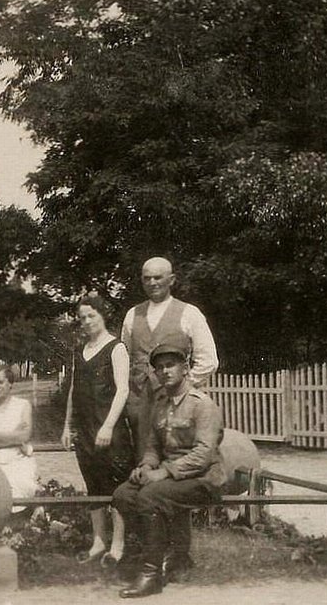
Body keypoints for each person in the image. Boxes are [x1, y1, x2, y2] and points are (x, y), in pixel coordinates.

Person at [120, 256, 218, 566]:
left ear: (172, 279)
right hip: (141, 407)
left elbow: (209, 359)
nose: (152, 283)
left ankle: (178, 552)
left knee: (175, 471)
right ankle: (149, 547)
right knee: (148, 473)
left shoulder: (189, 313)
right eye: (146, 278)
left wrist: (182, 389)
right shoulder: (132, 315)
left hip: (177, 402)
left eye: (158, 277)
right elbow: (125, 358)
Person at [111, 341, 224, 598]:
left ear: (185, 368)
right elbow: (153, 446)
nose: (165, 371)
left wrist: (164, 472)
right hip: (173, 479)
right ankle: (163, 556)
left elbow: (204, 455)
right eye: (159, 367)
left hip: (204, 479)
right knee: (123, 494)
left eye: (170, 365)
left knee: (150, 496)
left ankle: (151, 575)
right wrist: (145, 466)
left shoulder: (202, 405)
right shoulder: (161, 406)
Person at [61, 294, 134, 568]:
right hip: (85, 429)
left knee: (117, 488)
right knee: (93, 485)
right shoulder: (79, 351)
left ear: (103, 315)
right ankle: (98, 542)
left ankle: (118, 546)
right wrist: (67, 425)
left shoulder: (116, 348)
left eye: (92, 315)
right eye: (82, 318)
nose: (87, 321)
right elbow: (73, 390)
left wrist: (108, 426)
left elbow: (123, 390)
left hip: (109, 430)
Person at [0, 365, 38, 512]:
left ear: (10, 383)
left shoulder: (23, 405)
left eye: (0, 382)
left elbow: (25, 435)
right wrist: (14, 437)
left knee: (21, 482)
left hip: (18, 458)